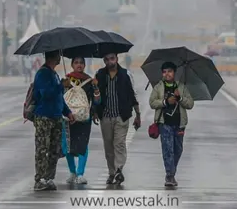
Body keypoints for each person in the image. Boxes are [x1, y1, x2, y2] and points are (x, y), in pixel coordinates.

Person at [94, 53, 140, 185]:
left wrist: (138, 114)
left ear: (117, 59)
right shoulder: (100, 75)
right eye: (107, 59)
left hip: (121, 116)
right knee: (108, 147)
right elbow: (96, 97)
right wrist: (95, 111)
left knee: (119, 144)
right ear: (104, 61)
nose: (110, 62)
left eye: (112, 58)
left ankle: (119, 169)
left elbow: (133, 95)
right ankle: (111, 173)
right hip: (106, 116)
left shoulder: (126, 75)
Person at [33, 50, 76, 191]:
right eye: (58, 55)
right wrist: (60, 86)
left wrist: (68, 112)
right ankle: (39, 179)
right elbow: (45, 94)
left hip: (57, 117)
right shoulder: (42, 74)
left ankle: (49, 178)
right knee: (42, 149)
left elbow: (59, 98)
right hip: (44, 117)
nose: (60, 57)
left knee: (54, 150)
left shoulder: (54, 74)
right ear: (53, 57)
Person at [148, 61, 194, 187]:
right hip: (164, 123)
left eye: (169, 71)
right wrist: (165, 102)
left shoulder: (182, 87)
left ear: (174, 72)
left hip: (179, 124)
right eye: (164, 72)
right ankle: (170, 175)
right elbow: (152, 103)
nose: (167, 74)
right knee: (167, 150)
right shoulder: (158, 87)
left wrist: (180, 99)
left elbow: (190, 104)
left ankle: (171, 172)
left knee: (178, 150)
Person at [61, 57, 101, 185]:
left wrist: (95, 87)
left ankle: (80, 173)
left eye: (81, 63)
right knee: (68, 145)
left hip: (84, 118)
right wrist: (64, 87)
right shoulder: (66, 79)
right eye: (76, 63)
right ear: (72, 64)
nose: (79, 65)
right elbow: (61, 98)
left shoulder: (90, 81)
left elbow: (96, 101)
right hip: (68, 117)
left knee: (83, 144)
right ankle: (72, 172)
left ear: (85, 65)